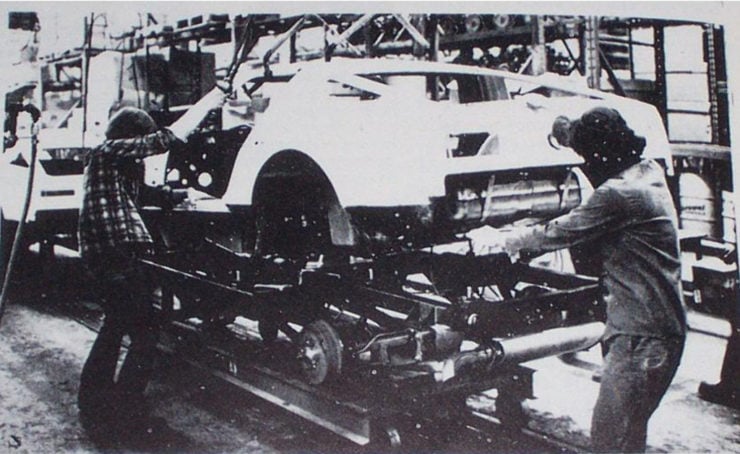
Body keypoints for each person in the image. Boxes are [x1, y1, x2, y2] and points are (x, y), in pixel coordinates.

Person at [466, 107, 686, 453]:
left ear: (603, 154)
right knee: (629, 433)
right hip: (660, 327)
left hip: (639, 336)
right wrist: (563, 131)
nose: (585, 165)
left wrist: (503, 238)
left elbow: (561, 231)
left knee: (610, 438)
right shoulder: (648, 172)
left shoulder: (619, 194)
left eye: (586, 157)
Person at [77, 87, 228, 445]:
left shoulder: (112, 170)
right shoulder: (108, 152)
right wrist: (213, 100)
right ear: (129, 138)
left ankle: (95, 402)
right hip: (118, 254)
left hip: (111, 255)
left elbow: (143, 196)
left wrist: (180, 196)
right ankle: (125, 413)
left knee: (116, 326)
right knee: (144, 334)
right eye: (139, 143)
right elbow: (165, 139)